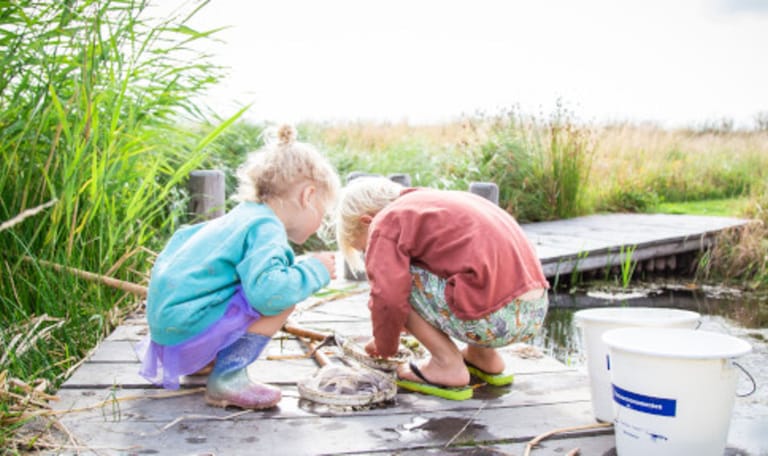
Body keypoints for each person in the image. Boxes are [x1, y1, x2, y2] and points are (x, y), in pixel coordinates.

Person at [138, 125, 340, 409]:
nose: (321, 223)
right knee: (282, 299)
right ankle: (228, 377)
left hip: (168, 334)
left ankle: (207, 363)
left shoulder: (243, 217)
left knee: (252, 286)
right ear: (308, 196)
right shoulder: (266, 227)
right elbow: (270, 294)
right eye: (324, 213)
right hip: (188, 333)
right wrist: (314, 271)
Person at [335, 177, 549, 400]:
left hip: (491, 321)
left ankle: (446, 364)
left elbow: (388, 299)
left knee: (395, 280)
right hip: (533, 313)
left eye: (366, 249)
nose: (370, 253)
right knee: (469, 269)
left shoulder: (385, 222)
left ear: (367, 221)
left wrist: (385, 345)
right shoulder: (437, 203)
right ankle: (483, 357)